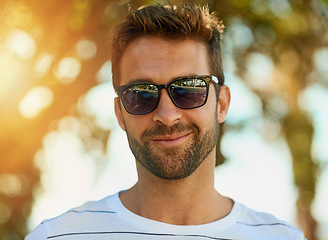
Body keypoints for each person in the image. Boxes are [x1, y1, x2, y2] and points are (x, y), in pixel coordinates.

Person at [26, 3, 306, 240]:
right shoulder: (55, 236)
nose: (166, 115)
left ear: (221, 104)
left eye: (189, 89)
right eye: (141, 94)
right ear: (120, 112)